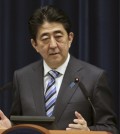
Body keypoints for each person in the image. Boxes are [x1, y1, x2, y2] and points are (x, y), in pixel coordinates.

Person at [0, 5, 119, 134]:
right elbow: (21, 124)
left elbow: (110, 128)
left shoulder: (94, 77)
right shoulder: (22, 77)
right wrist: (10, 127)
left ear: (70, 38)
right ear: (34, 44)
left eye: (58, 36)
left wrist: (88, 130)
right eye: (45, 39)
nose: (52, 45)